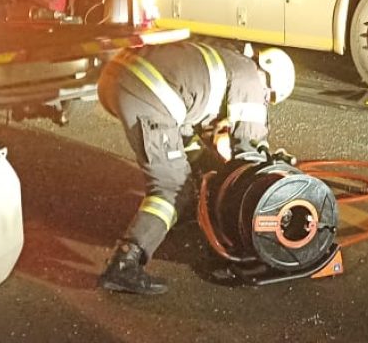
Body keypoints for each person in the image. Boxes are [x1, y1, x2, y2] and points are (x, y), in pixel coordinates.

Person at [96, 41, 296, 295]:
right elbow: (250, 146)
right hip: (147, 93)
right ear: (267, 76)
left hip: (119, 76)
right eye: (269, 96)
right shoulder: (250, 79)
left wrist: (212, 164)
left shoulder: (231, 59)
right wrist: (271, 168)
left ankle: (187, 210)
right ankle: (124, 264)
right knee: (171, 187)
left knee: (199, 159)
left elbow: (196, 113)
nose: (266, 100)